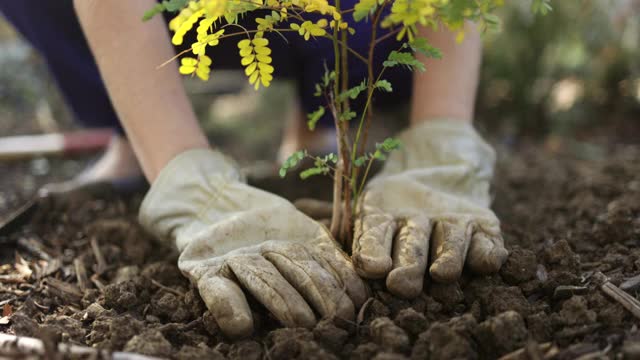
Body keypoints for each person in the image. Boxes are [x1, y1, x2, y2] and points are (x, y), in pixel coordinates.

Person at [1, 0, 508, 337]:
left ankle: (322, 121)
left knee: (371, 16)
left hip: (345, 15)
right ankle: (140, 136)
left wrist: (443, 139)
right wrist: (189, 180)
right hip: (189, 9)